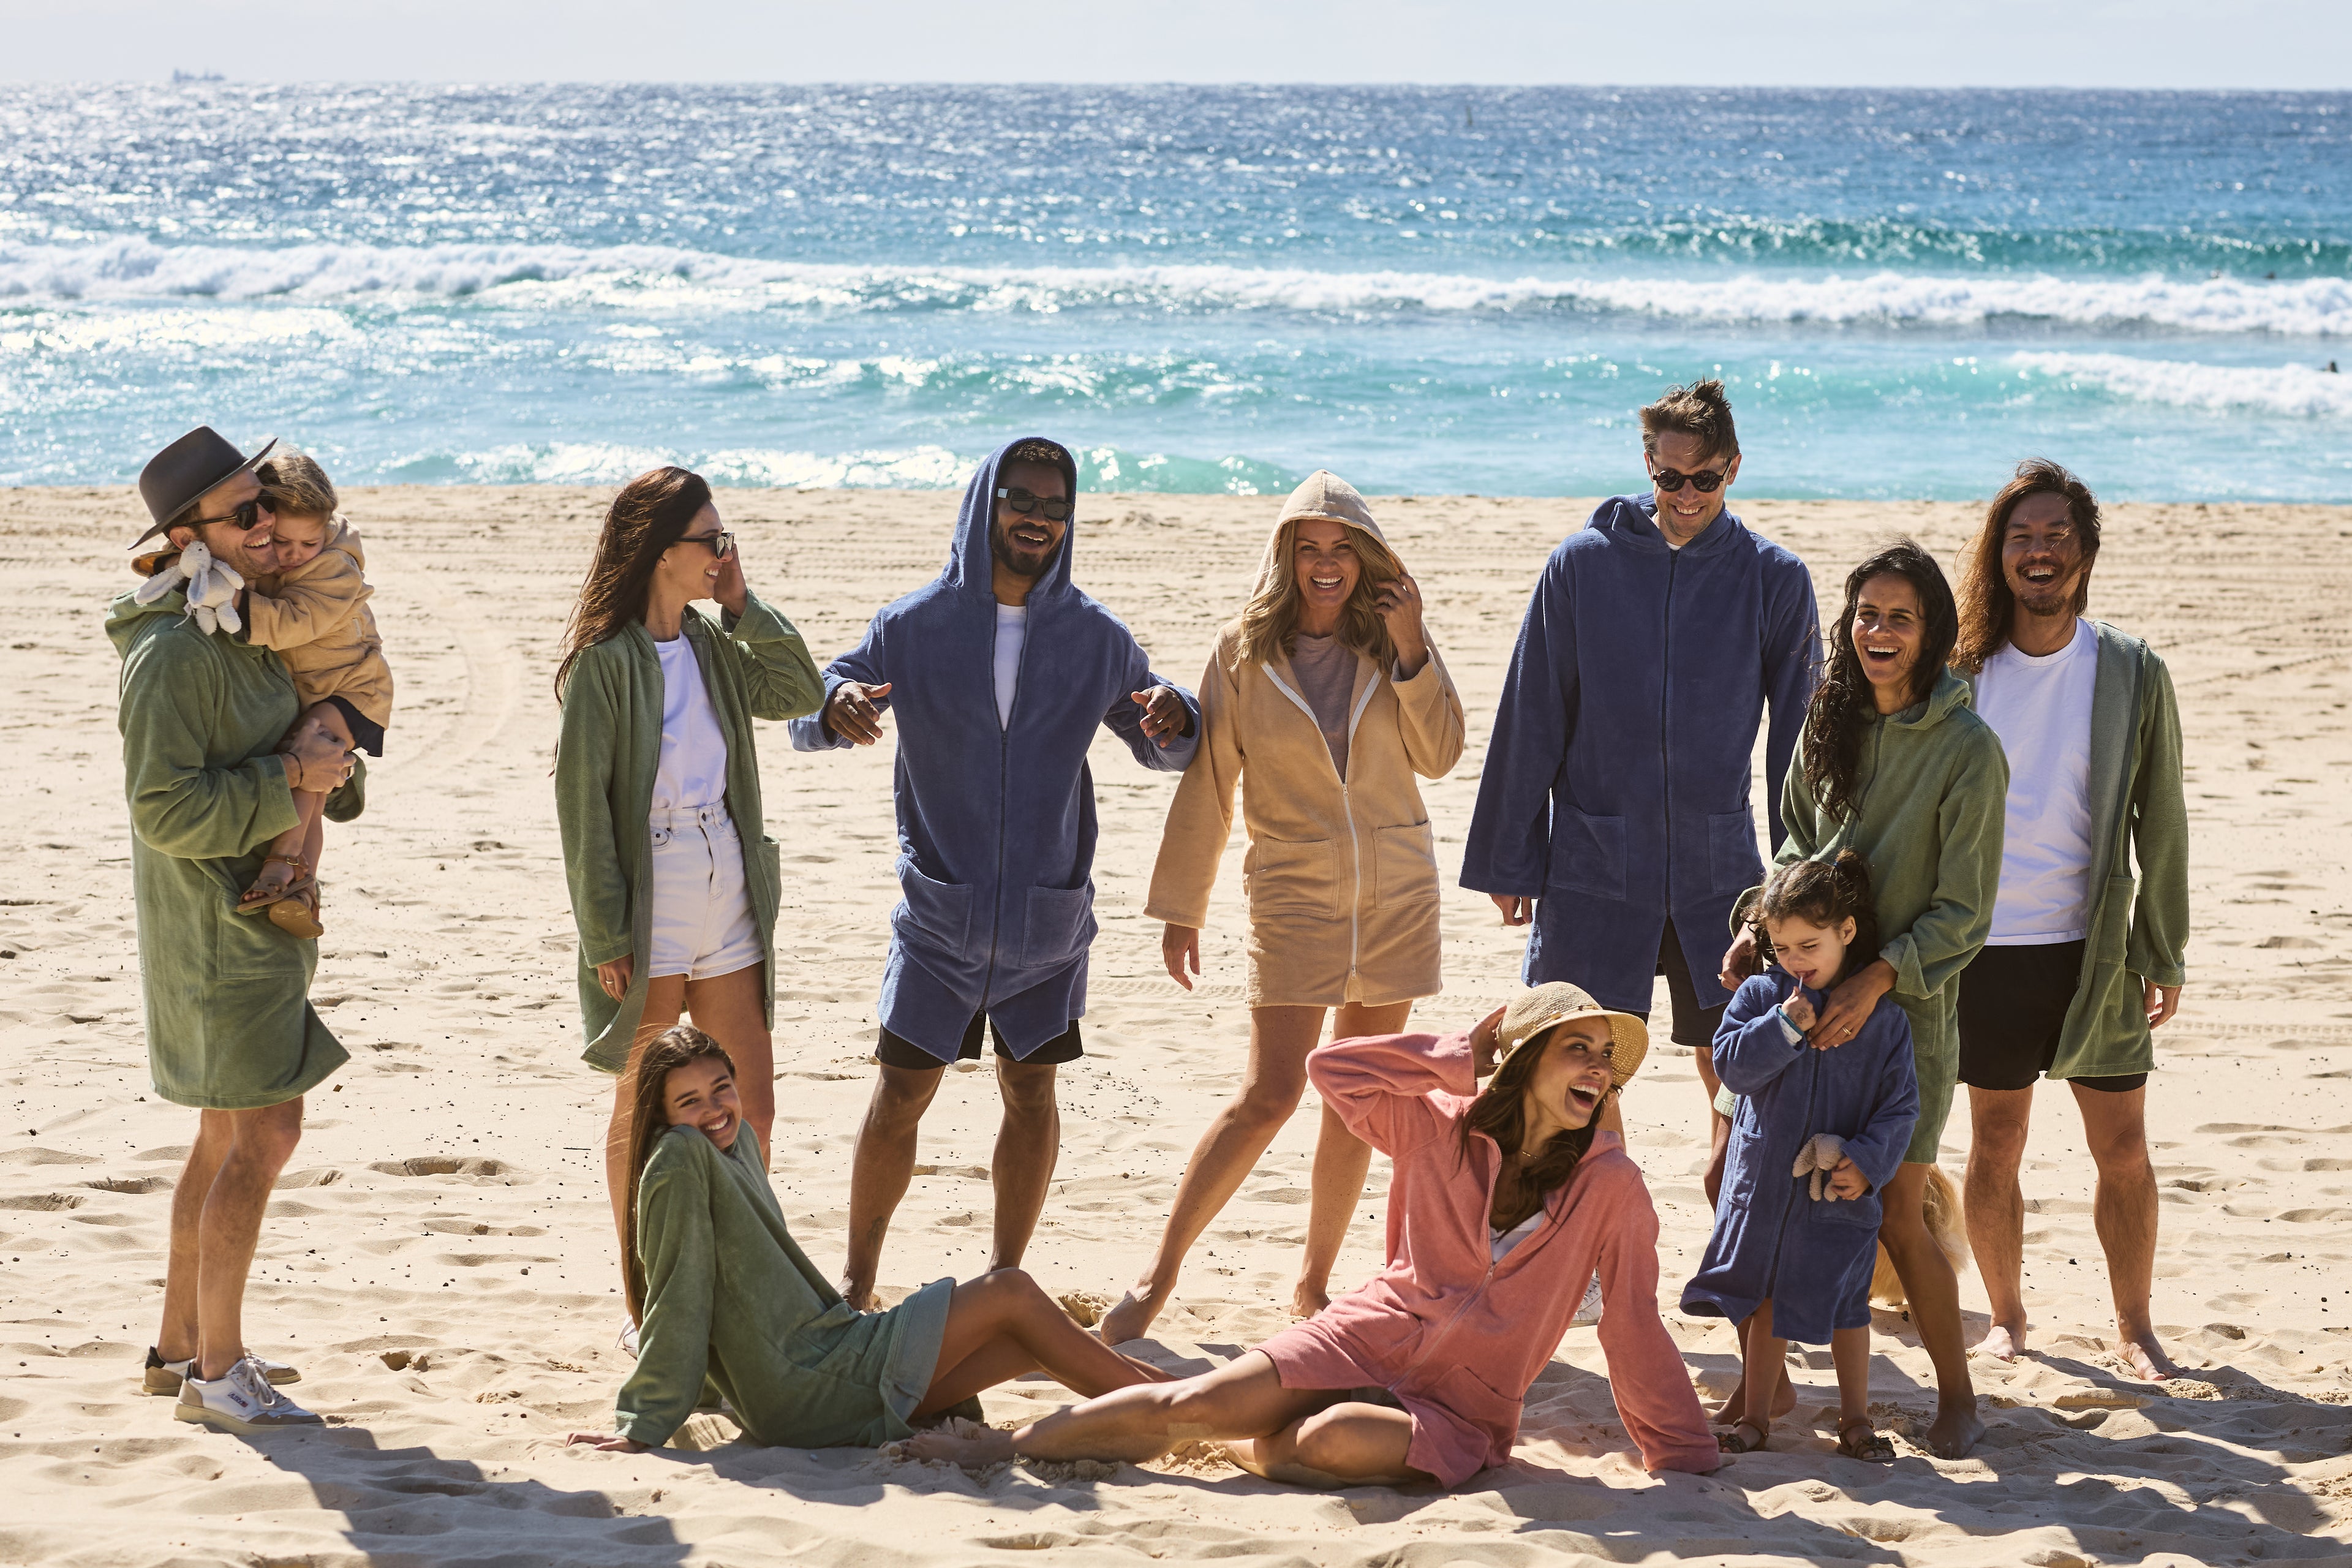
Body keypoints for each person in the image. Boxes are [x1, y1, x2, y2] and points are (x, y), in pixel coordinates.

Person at [909, 987, 1720, 1488]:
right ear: (1522, 1062)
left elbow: (1632, 1322)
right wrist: (1456, 1058)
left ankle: (1244, 1445)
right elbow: (1335, 1070)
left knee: (1327, 1442)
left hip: (1462, 1405)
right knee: (1189, 1401)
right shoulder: (1439, 1128)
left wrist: (1683, 1454)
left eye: (1606, 1058)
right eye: (1576, 1048)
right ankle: (999, 1449)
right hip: (1367, 1334)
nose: (1598, 1068)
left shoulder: (1612, 1187)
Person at [790, 436, 1200, 1310]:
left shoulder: (1096, 638)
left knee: (1033, 1090)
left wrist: (1180, 715)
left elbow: (1166, 744)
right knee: (899, 1095)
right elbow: (812, 705)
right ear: (986, 503)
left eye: (1056, 507)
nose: (1039, 521)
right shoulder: (914, 625)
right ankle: (857, 1283)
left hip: (1046, 927)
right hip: (938, 919)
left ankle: (1007, 1274)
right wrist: (836, 705)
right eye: (1022, 500)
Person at [1103, 470, 1465, 1341]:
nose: (1327, 564)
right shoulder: (1242, 651)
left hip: (1396, 891)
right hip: (1294, 894)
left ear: (1368, 557)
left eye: (1343, 548)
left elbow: (1443, 752)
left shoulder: (1393, 643)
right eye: (1311, 548)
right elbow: (1212, 783)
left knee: (1360, 1092)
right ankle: (1158, 1277)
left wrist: (1412, 642)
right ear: (1287, 555)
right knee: (1268, 1094)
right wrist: (1182, 907)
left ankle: (1313, 1283)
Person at [1461, 380, 1816, 1194]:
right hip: (1593, 863)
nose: (1686, 496)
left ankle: (1742, 1195)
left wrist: (1798, 881)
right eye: (1669, 478)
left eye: (1706, 479)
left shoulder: (1774, 579)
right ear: (1647, 466)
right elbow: (1532, 714)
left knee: (1737, 1055)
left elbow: (1799, 749)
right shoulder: (1581, 567)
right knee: (1579, 1059)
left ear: (1734, 468)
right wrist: (1512, 861)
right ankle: (1574, 1235)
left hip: (1718, 871)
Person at [1718, 539, 2006, 1460]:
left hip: (1906, 1015)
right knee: (1742, 1182)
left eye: (1902, 617)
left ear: (1932, 634)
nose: (1879, 632)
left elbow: (1966, 914)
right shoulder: (1825, 720)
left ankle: (1957, 1398)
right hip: (1800, 998)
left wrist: (1879, 975)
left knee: (1891, 1207)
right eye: (1866, 615)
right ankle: (1765, 1392)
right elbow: (1793, 852)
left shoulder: (1969, 751)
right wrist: (1758, 930)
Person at [564, 1027, 1167, 1453]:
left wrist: (710, 1391)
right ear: (664, 1115)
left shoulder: (735, 1141)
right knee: (1010, 1292)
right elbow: (680, 1292)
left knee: (1031, 1342)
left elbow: (739, 1290)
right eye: (689, 1101)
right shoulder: (679, 1159)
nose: (715, 1108)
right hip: (808, 1383)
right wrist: (647, 1419)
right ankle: (1184, 1405)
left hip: (828, 1353)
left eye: (722, 1086)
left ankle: (1176, 1404)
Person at [112, 426, 363, 1431]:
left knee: (226, 1134)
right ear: (188, 535)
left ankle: (182, 1349)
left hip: (248, 924)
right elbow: (162, 810)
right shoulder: (172, 650)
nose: (267, 521)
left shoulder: (241, 625)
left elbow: (301, 746)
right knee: (266, 1130)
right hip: (217, 930)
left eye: (266, 500)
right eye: (243, 511)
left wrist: (325, 773)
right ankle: (221, 1378)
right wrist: (289, 781)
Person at [1950, 460, 2190, 1383]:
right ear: (1999, 553)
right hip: (1985, 946)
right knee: (1996, 1142)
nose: (2038, 552)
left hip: (2093, 949)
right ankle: (2008, 1319)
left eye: (2055, 536)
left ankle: (2135, 1325)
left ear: (2085, 553)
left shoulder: (2129, 669)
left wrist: (2159, 944)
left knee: (2123, 1148)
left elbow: (2159, 817)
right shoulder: (1961, 669)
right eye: (2021, 536)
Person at [552, 466, 827, 1262]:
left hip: (728, 877)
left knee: (753, 1108)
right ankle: (647, 1295)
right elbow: (584, 811)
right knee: (641, 1112)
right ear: (658, 551)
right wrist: (605, 933)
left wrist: (742, 601)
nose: (721, 553)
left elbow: (798, 690)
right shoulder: (606, 664)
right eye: (710, 542)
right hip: (653, 889)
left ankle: (743, 1282)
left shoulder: (713, 642)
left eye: (725, 539)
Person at [1681, 853, 1918, 1461]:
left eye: (1809, 944)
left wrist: (1866, 1162)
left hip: (1838, 1192)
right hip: (1763, 1188)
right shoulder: (1762, 995)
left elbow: (1901, 1109)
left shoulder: (1883, 1020)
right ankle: (1757, 1415)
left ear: (1847, 930)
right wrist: (1782, 1026)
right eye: (1782, 947)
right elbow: (1731, 1066)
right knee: (1762, 1302)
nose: (1795, 960)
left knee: (1847, 1305)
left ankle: (1857, 1419)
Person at [226, 450, 394, 940]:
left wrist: (233, 600)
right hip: (317, 687)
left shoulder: (334, 567)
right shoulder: (275, 554)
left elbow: (290, 625)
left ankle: (280, 865)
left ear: (327, 530)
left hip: (353, 687)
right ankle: (304, 891)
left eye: (309, 541)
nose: (296, 553)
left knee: (311, 746)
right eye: (282, 541)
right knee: (313, 796)